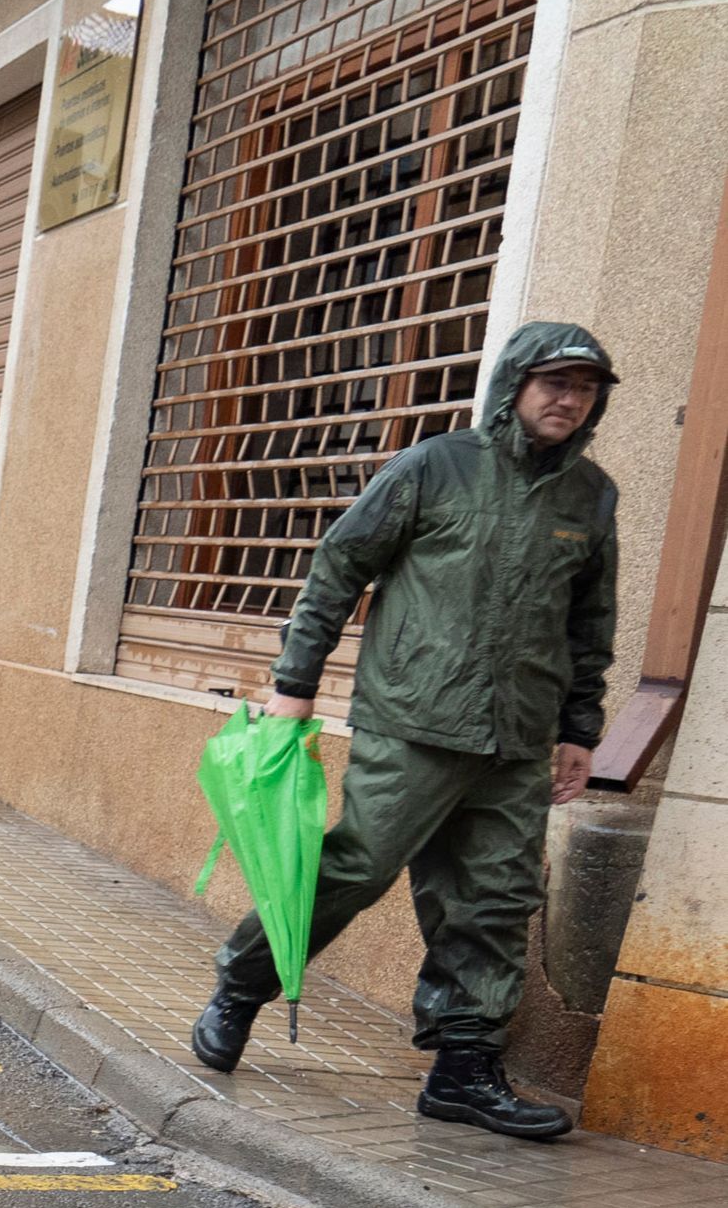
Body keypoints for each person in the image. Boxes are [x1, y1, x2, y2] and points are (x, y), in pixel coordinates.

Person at [189, 322, 621, 1141]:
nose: (567, 399)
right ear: (515, 386)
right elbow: (338, 568)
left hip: (517, 740)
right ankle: (241, 985)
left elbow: (590, 624)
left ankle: (463, 1071)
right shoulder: (435, 467)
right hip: (413, 723)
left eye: (584, 388)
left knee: (495, 901)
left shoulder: (591, 497)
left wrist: (579, 728)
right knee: (357, 869)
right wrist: (294, 686)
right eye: (553, 383)